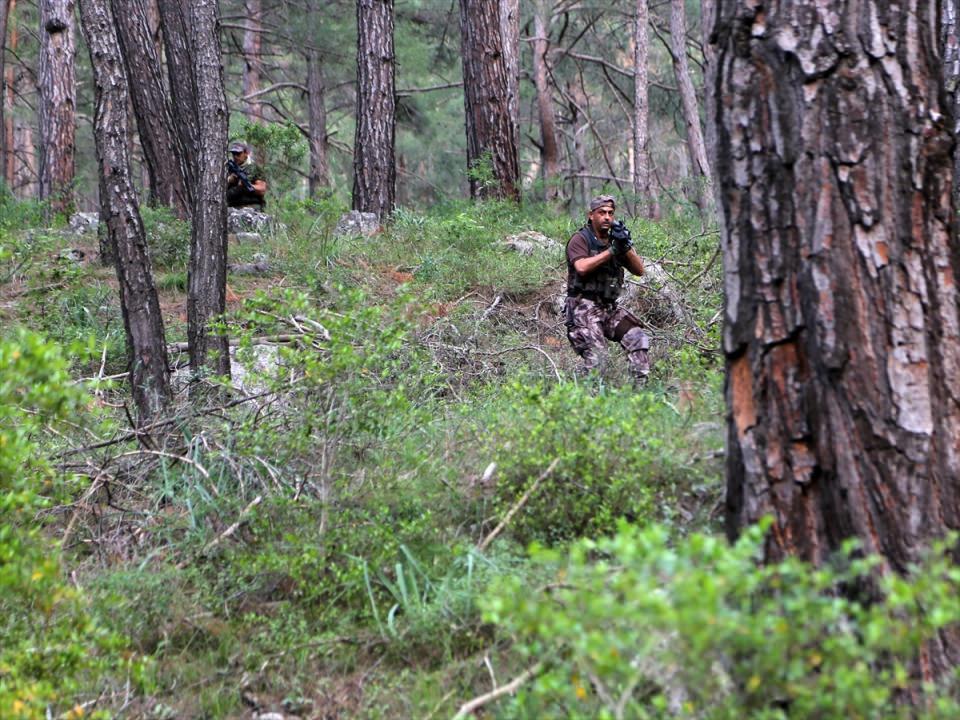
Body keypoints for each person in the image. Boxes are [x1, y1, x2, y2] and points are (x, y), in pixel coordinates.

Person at [564, 194, 650, 383]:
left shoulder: (615, 241)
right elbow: (582, 267)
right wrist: (611, 251)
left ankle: (640, 393)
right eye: (601, 213)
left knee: (638, 338)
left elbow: (640, 271)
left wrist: (625, 245)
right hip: (583, 308)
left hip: (608, 308)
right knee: (597, 357)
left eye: (610, 213)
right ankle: (585, 398)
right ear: (591, 215)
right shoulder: (580, 239)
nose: (607, 217)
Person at [226, 141, 268, 208]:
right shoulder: (228, 167)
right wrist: (229, 180)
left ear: (246, 153)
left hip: (251, 206)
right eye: (234, 154)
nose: (235, 156)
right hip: (232, 207)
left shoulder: (254, 168)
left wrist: (246, 186)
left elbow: (262, 189)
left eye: (238, 153)